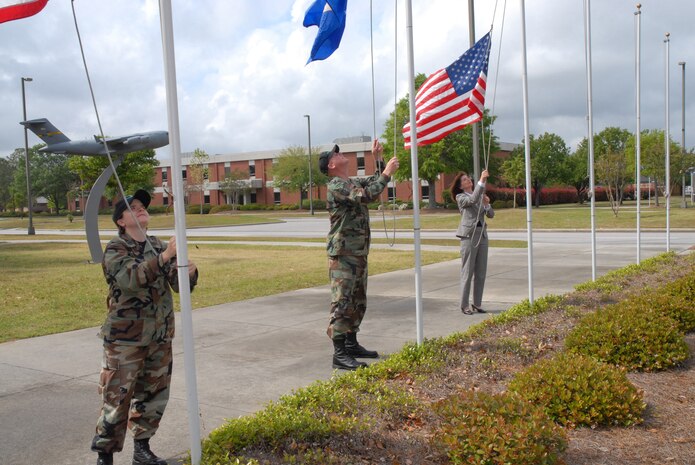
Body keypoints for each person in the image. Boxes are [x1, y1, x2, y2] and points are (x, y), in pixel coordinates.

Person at [91, 189, 198, 465]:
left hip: (159, 336)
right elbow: (130, 279)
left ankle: (142, 449)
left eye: (142, 206)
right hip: (125, 340)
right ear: (121, 221)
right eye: (132, 207)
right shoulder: (116, 248)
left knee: (153, 397)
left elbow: (178, 285)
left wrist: (189, 271)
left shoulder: (159, 245)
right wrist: (164, 259)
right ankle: (105, 456)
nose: (140, 209)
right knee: (117, 401)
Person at [320, 140, 399, 370]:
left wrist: (378, 160)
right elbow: (365, 195)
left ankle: (351, 343)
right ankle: (339, 354)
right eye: (336, 154)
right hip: (343, 253)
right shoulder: (337, 185)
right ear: (331, 165)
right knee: (342, 302)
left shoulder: (350, 181)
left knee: (358, 300)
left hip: (358, 252)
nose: (340, 154)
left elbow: (375, 183)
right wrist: (386, 172)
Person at [450, 170, 494, 315]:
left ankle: (477, 303)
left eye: (468, 178)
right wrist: (481, 180)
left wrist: (487, 205)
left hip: (482, 236)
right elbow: (472, 200)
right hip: (469, 237)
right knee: (467, 272)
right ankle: (464, 305)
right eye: (464, 180)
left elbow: (491, 215)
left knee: (481, 272)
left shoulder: (479, 195)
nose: (468, 180)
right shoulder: (460, 197)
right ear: (460, 186)